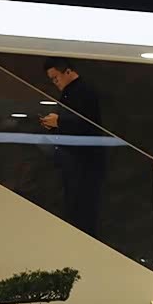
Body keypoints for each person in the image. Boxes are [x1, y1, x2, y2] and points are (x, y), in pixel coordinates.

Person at [41, 57, 107, 238]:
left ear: (68, 72)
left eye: (56, 78)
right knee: (75, 207)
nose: (55, 83)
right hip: (76, 159)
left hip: (84, 161)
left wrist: (59, 122)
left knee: (82, 208)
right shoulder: (73, 92)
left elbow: (87, 124)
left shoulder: (83, 91)